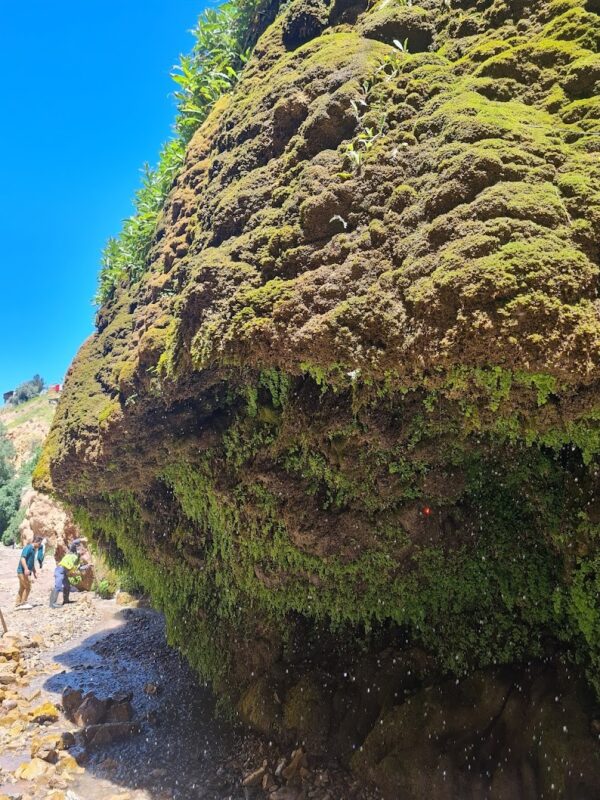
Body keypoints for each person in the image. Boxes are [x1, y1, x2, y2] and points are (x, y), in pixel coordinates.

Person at [16, 536, 43, 609]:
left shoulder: (34, 550)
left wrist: (34, 572)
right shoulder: (28, 548)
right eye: (39, 544)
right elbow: (22, 558)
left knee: (22, 588)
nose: (40, 545)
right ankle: (23, 603)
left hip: (24, 571)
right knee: (28, 587)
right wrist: (26, 569)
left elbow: (31, 562)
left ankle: (18, 604)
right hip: (22, 571)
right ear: (36, 542)